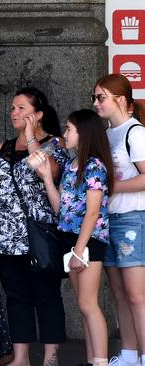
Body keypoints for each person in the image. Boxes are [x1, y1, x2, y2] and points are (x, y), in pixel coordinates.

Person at [0, 87, 67, 366]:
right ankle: (21, 358)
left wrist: (30, 138)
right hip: (5, 239)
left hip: (39, 236)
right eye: (13, 108)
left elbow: (49, 171)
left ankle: (50, 358)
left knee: (47, 296)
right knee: (16, 298)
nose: (14, 113)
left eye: (22, 109)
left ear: (38, 115)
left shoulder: (55, 144)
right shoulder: (2, 147)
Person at [35, 109, 114, 366]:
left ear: (84, 133)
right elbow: (62, 211)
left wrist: (80, 251)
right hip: (70, 238)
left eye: (69, 129)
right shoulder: (71, 165)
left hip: (88, 241)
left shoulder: (95, 166)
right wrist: (47, 178)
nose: (65, 134)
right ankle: (92, 360)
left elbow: (92, 213)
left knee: (89, 304)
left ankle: (100, 361)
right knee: (83, 305)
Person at [93, 74, 145, 366]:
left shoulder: (135, 133)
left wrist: (113, 186)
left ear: (121, 100)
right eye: (95, 98)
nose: (96, 103)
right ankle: (127, 355)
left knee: (137, 295)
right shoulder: (107, 133)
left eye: (101, 97)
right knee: (119, 293)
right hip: (108, 219)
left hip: (132, 219)